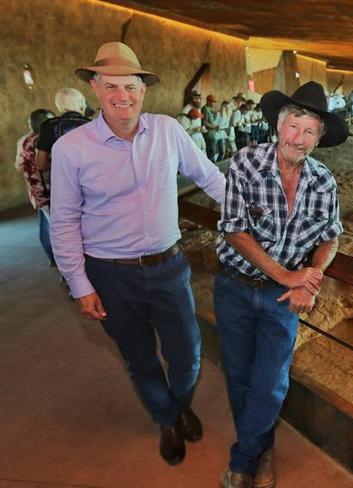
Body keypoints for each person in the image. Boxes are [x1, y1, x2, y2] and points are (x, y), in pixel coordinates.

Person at [49, 42, 226, 466]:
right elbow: (64, 221)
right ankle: (167, 419)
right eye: (110, 86)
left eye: (129, 86)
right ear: (95, 88)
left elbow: (209, 176)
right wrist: (80, 285)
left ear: (143, 89)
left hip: (168, 266)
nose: (121, 95)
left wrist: (254, 215)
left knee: (188, 352)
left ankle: (177, 405)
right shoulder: (71, 149)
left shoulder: (167, 130)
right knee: (140, 358)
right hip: (110, 274)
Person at [213, 81, 347, 488]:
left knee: (271, 383)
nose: (298, 138)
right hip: (235, 287)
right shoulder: (245, 163)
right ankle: (260, 448)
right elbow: (234, 230)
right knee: (238, 375)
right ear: (277, 124)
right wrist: (288, 274)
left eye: (309, 131)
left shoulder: (323, 182)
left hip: (283, 298)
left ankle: (245, 459)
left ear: (319, 137)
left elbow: (331, 235)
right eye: (293, 126)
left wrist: (311, 280)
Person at [15, 108, 55, 265]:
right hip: (53, 192)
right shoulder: (47, 140)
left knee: (45, 225)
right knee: (60, 231)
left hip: (36, 192)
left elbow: (18, 165)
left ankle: (53, 259)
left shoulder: (23, 141)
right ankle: (64, 265)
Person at [36, 87, 89, 173]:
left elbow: (41, 164)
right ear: (82, 106)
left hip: (61, 182)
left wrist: (62, 166)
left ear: (59, 107)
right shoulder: (94, 125)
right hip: (90, 181)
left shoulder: (48, 125)